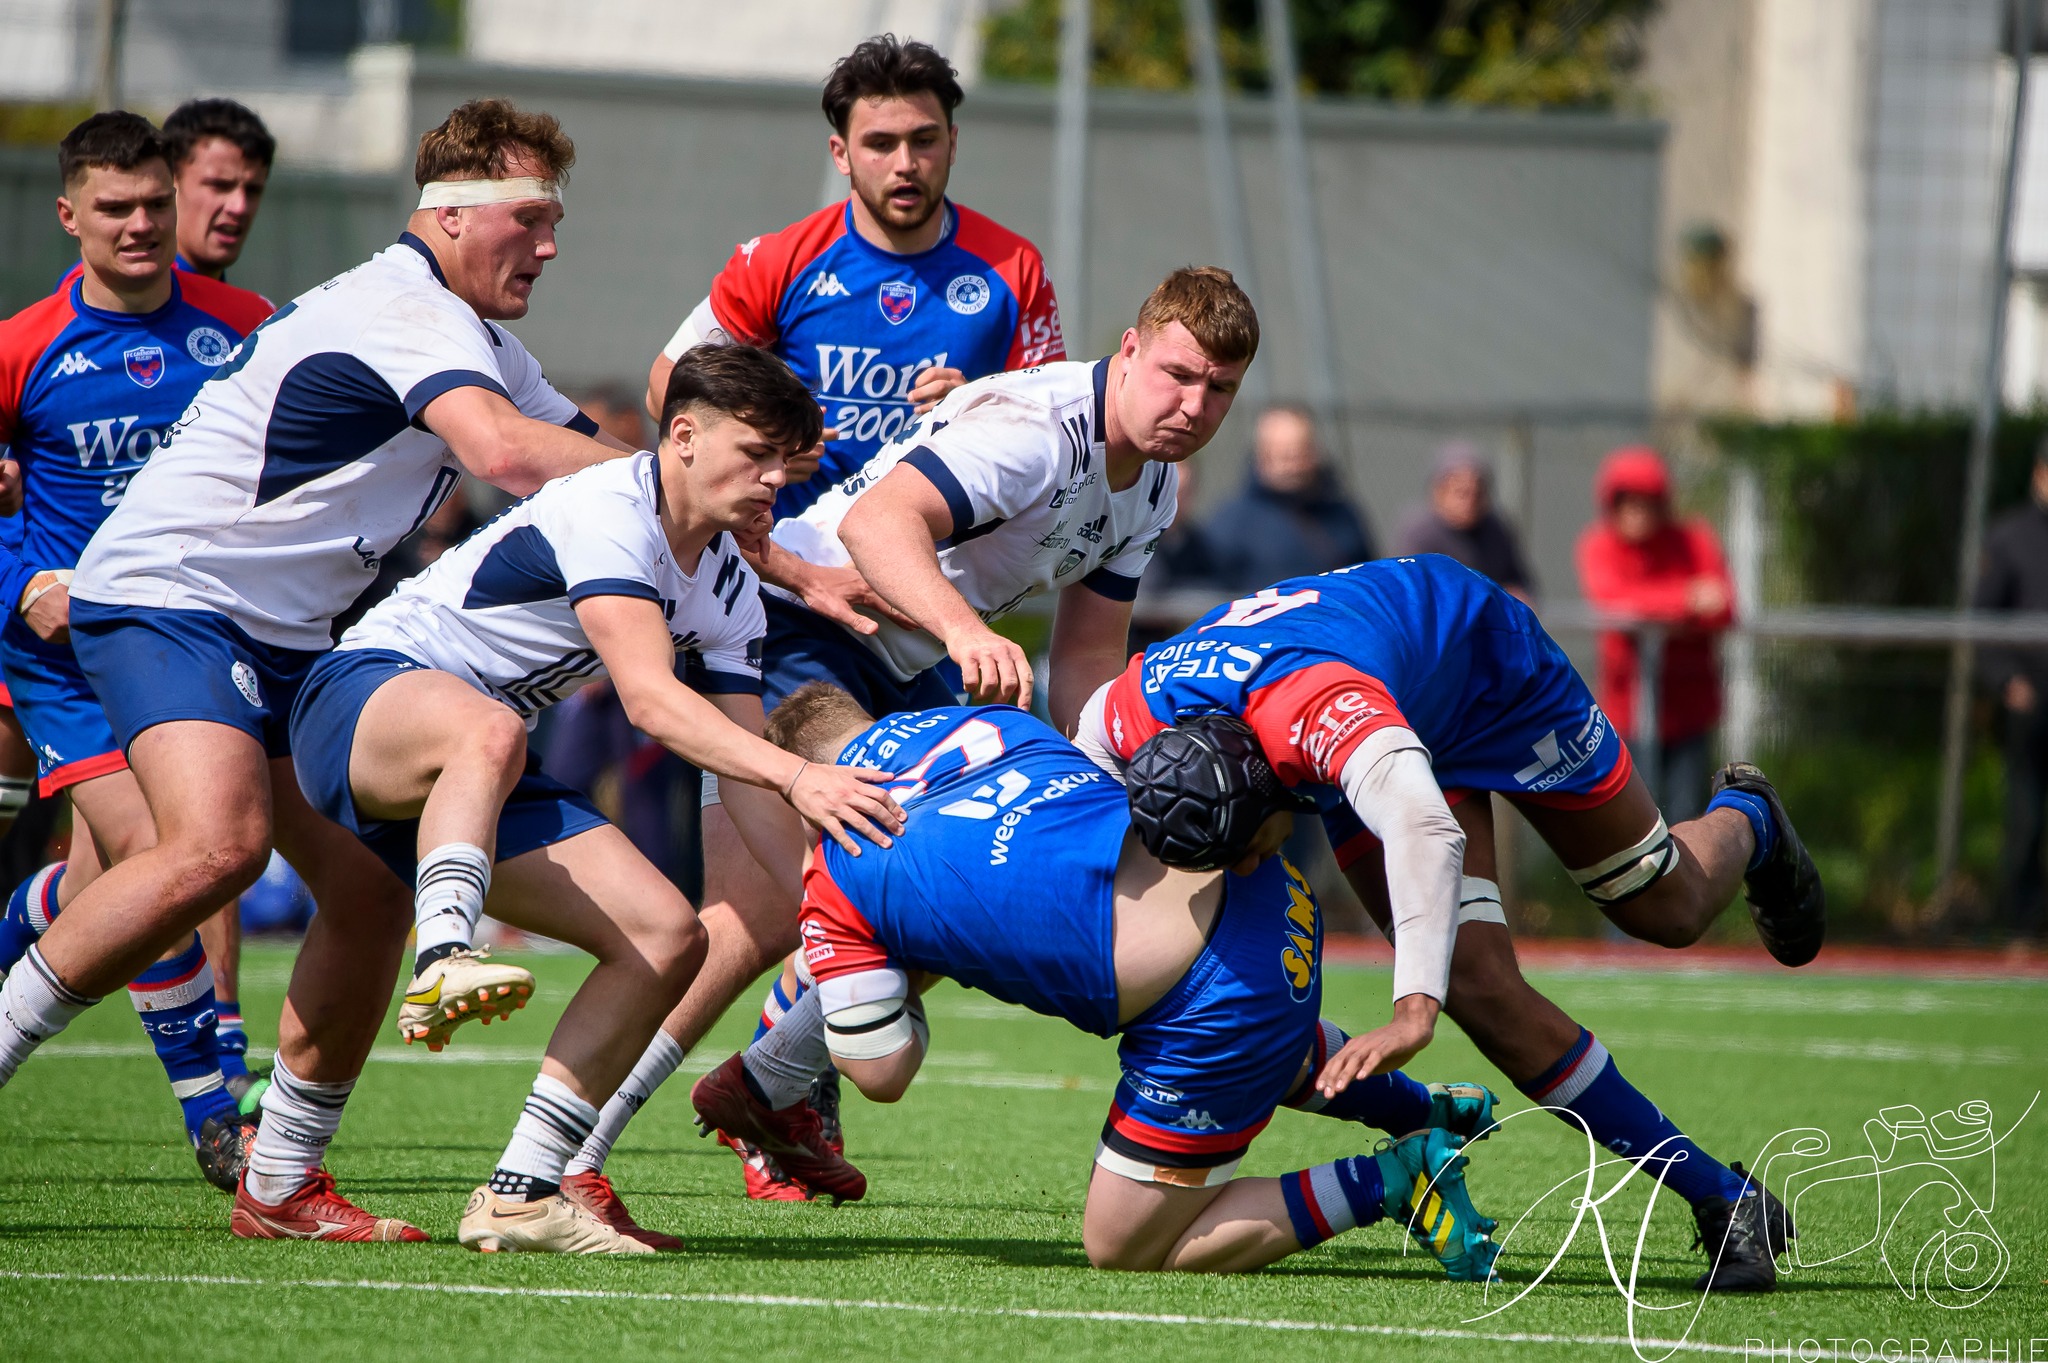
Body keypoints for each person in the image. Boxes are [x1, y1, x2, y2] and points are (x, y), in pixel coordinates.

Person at [0, 99, 641, 1242]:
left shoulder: (477, 338)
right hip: (171, 598)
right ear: (449, 217)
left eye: (556, 220)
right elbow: (508, 456)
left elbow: (601, 467)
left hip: (287, 644)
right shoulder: (406, 307)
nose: (549, 244)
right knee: (217, 846)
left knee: (367, 887)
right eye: (529, 218)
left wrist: (759, 525)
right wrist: (693, 487)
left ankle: (281, 1181)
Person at [565, 266, 1256, 1225]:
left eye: (1220, 389)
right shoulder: (1037, 429)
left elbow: (1091, 655)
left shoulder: (1155, 486)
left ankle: (767, 1081)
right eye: (1179, 374)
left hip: (909, 657)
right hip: (794, 618)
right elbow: (873, 523)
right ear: (1130, 350)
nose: (1194, 404)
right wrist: (970, 632)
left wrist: (1100, 785)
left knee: (944, 894)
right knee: (791, 902)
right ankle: (568, 1155)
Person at [287, 345, 903, 1253]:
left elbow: (738, 765)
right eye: (758, 451)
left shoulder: (730, 582)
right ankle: (449, 950)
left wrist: (833, 907)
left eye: (788, 457)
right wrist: (805, 774)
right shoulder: (614, 506)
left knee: (668, 936)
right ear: (683, 436)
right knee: (490, 730)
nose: (778, 476)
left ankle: (520, 1190)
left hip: (480, 767)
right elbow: (654, 702)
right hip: (362, 700)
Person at [1076, 554, 1816, 1292]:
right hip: (1378, 690)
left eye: (1244, 849)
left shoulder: (1320, 717)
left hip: (1484, 666)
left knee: (1666, 905)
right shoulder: (1128, 713)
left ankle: (1749, 816)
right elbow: (1075, 787)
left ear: (1278, 783)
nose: (1243, 870)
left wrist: (1412, 1011)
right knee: (1480, 986)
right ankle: (1725, 1195)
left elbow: (1426, 828)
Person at [696, 685, 1503, 1276]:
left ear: (803, 785)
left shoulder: (837, 872)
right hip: (1264, 878)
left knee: (1125, 1246)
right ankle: (1424, 1105)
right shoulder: (985, 719)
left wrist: (889, 956)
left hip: (1216, 1000)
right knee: (1258, 1046)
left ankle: (1400, 1175)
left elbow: (882, 1074)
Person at [0, 112, 274, 1187]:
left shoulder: (244, 326)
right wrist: (25, 583)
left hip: (193, 640)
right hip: (65, 658)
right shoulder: (23, 347)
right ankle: (213, 1108)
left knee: (111, 875)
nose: (141, 225)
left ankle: (23, 921)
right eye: (114, 208)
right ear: (70, 215)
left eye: (156, 203)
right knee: (175, 857)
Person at [644, 35, 1063, 521]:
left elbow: (1056, 438)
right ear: (841, 154)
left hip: (940, 564)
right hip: (789, 561)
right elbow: (664, 391)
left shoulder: (1015, 267)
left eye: (924, 140)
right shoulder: (780, 261)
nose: (905, 164)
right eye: (880, 144)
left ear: (952, 144)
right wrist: (765, 439)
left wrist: (978, 413)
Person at [1575, 445, 1735, 822]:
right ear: (1611, 504)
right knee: (1634, 825)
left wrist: (1661, 609)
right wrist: (1685, 600)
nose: (1638, 512)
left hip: (1689, 707)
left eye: (1648, 501)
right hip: (1627, 709)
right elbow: (1615, 603)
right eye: (1628, 501)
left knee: (1687, 820)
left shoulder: (1692, 540)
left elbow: (1723, 607)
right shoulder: (1600, 545)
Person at [1974, 445, 2048, 945]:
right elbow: (1982, 622)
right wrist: (2005, 681)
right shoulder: (2009, 538)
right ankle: (2020, 930)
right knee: (2026, 820)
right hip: (2031, 705)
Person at [1204, 405, 1375, 592]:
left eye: (1300, 454)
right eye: (1283, 456)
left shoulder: (1343, 514)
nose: (1293, 467)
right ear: (1262, 457)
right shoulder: (1234, 521)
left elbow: (1368, 575)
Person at [1392, 442, 1533, 602]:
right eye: (1461, 493)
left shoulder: (1496, 529)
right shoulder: (1420, 531)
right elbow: (1409, 592)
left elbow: (1519, 582)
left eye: (1477, 493)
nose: (1470, 502)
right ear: (1438, 491)